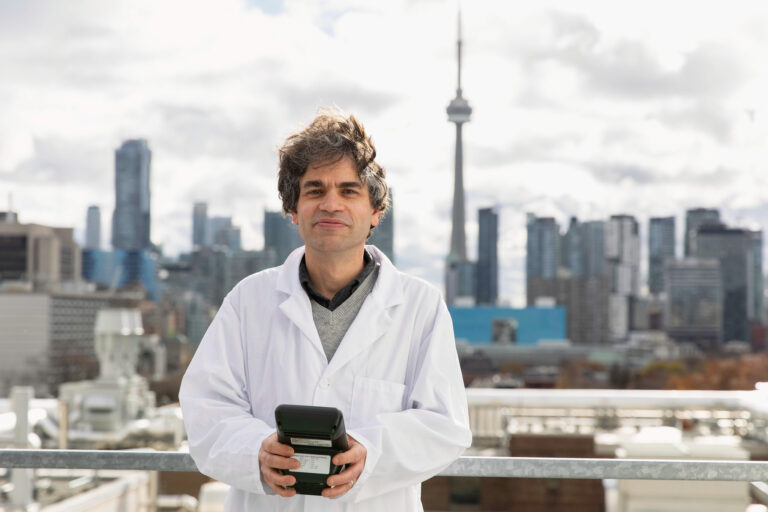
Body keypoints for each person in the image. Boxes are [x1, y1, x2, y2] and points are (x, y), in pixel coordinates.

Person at [179, 109, 471, 511]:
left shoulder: (420, 307)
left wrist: (372, 451)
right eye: (315, 190)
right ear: (294, 210)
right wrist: (254, 453)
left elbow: (446, 425)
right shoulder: (248, 301)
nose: (331, 204)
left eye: (349, 191)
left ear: (375, 213)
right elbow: (205, 408)